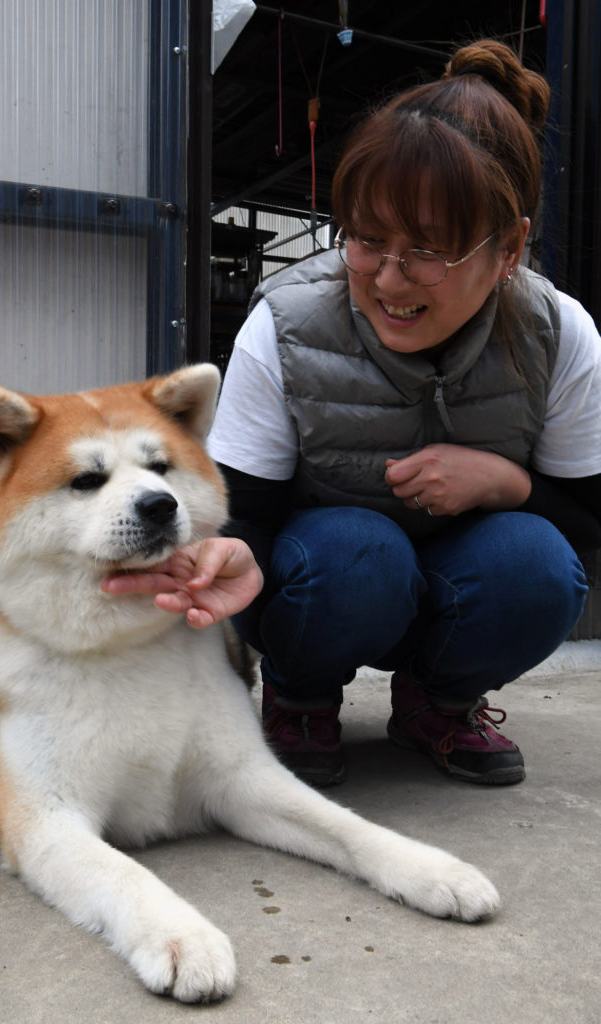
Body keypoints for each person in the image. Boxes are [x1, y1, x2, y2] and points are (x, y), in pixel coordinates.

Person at [110, 39, 601, 790]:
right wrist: (237, 553)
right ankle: (301, 697)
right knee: (356, 550)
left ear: (509, 248)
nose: (388, 278)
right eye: (368, 238)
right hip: (330, 577)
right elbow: (243, 508)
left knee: (536, 565)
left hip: (466, 574)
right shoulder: (287, 324)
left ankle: (437, 702)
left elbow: (587, 523)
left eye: (429, 249)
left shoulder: (559, 331)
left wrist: (504, 482)